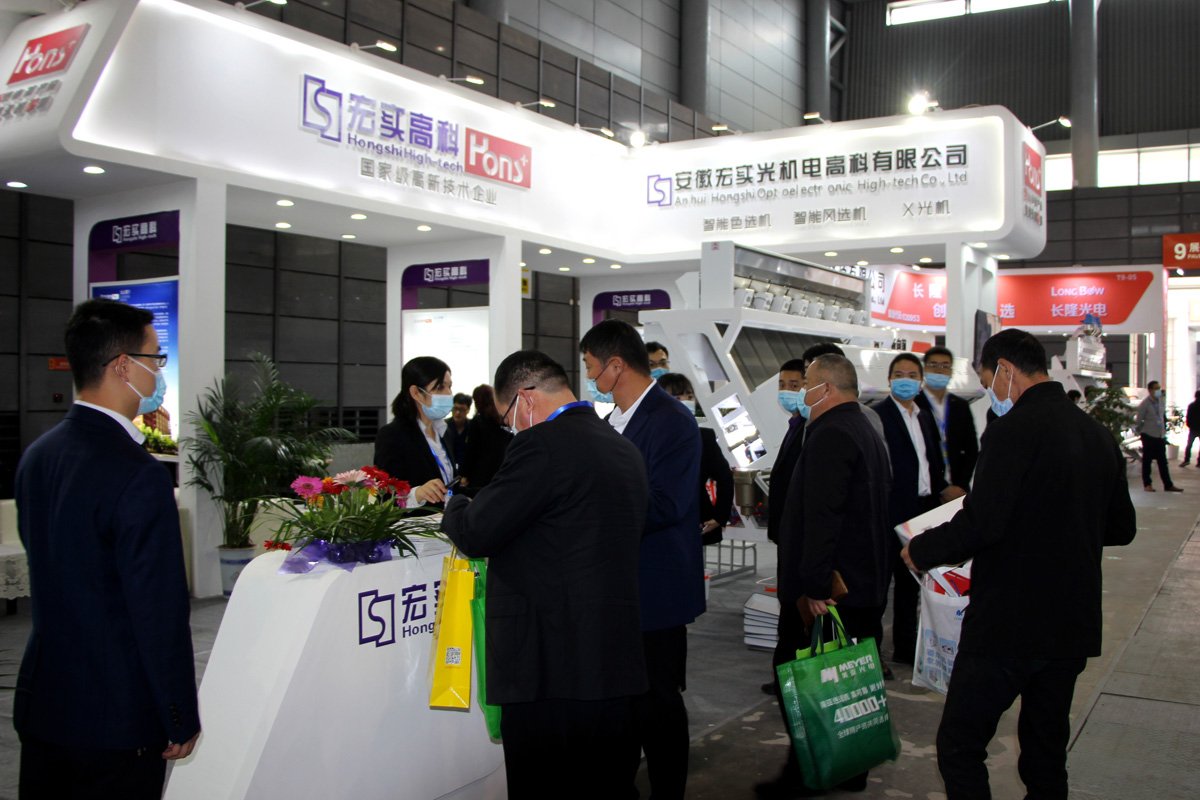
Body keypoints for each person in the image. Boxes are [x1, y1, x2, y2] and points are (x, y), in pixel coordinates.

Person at [901, 328, 1136, 800]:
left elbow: (982, 522)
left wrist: (920, 550)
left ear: (1005, 370)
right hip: (1070, 625)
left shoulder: (1011, 432)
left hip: (1009, 623)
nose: (990, 391)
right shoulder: (1097, 434)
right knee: (1046, 752)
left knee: (961, 745)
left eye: (988, 380)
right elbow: (1122, 528)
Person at [441, 350, 649, 799]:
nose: (511, 429)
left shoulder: (541, 445)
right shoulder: (621, 446)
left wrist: (454, 504)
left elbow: (477, 532)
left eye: (508, 419)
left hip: (549, 666)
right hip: (613, 661)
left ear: (526, 399)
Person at [14, 299, 200, 798]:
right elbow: (157, 608)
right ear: (123, 366)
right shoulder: (138, 473)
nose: (159, 372)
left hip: (45, 702)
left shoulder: (38, 456)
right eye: (156, 359)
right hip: (116, 715)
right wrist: (178, 711)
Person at [756, 354, 893, 799]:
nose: (802, 393)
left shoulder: (831, 433)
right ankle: (849, 768)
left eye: (807, 384)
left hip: (830, 591)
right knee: (848, 682)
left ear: (826, 388)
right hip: (863, 583)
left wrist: (814, 587)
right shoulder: (864, 429)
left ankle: (806, 774)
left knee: (802, 678)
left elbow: (823, 515)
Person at [581, 320, 703, 800]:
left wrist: (592, 513)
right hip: (616, 586)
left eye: (591, 366)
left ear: (615, 365)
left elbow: (667, 503)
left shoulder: (672, 420)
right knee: (622, 701)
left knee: (658, 702)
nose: (589, 376)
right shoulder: (611, 420)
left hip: (655, 588)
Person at [871, 353, 956, 670]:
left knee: (911, 584)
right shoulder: (878, 415)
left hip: (921, 512)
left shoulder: (924, 417)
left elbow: (931, 461)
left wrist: (942, 490)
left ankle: (905, 649)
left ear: (920, 382)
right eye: (899, 375)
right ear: (889, 380)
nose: (905, 380)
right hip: (889, 511)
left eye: (911, 375)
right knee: (880, 587)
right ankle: (871, 653)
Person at [656, 372, 734, 545]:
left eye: (689, 397)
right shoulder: (651, 438)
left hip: (696, 520)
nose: (685, 402)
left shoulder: (704, 438)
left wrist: (719, 516)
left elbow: (725, 477)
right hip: (658, 522)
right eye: (677, 397)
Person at [373, 356, 457, 505]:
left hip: (449, 516)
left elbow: (451, 486)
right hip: (419, 519)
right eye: (439, 387)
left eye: (449, 387)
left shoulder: (444, 432)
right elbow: (385, 497)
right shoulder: (393, 435)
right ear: (416, 393)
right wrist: (417, 494)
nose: (448, 394)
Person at [915, 346, 979, 492]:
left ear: (951, 372)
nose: (939, 370)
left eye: (945, 366)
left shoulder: (960, 406)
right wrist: (942, 488)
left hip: (959, 489)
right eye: (933, 365)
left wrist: (961, 485)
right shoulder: (915, 404)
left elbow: (972, 448)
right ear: (924, 369)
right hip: (927, 491)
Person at [459, 384, 513, 490]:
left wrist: (464, 474)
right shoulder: (502, 420)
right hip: (500, 472)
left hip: (480, 475)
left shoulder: (477, 422)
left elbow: (471, 451)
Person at [1134, 380, 1182, 492]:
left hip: (1160, 435)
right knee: (1147, 461)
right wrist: (1141, 432)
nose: (1158, 390)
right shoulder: (1145, 404)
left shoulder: (1160, 401)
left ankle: (1168, 485)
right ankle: (1147, 484)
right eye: (1156, 388)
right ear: (1150, 390)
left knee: (1163, 462)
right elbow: (1138, 420)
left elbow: (1161, 416)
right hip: (1148, 435)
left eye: (1159, 388)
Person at [442, 392, 472, 472]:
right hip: (449, 469)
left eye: (462, 409)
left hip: (468, 470)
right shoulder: (443, 426)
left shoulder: (472, 427)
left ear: (468, 410)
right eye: (455, 408)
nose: (458, 412)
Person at [1181, 390, 1200, 466]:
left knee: (1189, 445)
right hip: (1196, 428)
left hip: (1193, 429)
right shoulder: (1191, 406)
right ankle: (1199, 462)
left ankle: (1186, 460)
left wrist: (1190, 426)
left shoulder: (1191, 405)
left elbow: (1188, 418)